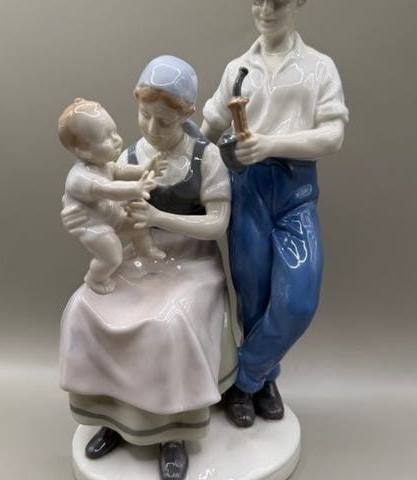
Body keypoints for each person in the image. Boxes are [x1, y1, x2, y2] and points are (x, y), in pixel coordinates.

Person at [59, 56, 235, 480]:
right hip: (142, 252)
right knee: (86, 306)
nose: (152, 128)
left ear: (186, 114)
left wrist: (159, 218)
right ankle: (115, 415)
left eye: (164, 121)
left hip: (193, 260)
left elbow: (217, 224)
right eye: (144, 115)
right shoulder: (133, 154)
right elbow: (108, 199)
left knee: (168, 322)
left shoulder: (205, 157)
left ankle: (171, 430)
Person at [201, 0, 349, 427]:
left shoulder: (319, 67)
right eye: (258, 0)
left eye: (278, 0)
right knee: (253, 292)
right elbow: (208, 129)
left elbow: (333, 135)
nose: (266, 10)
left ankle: (243, 377)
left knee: (297, 299)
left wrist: (270, 144)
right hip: (246, 188)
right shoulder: (237, 69)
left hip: (293, 191)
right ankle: (264, 381)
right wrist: (185, 161)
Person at [58, 98, 162, 294]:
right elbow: (108, 188)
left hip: (110, 214)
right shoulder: (79, 178)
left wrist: (145, 169)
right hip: (92, 226)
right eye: (105, 138)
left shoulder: (103, 165)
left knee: (138, 223)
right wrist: (136, 188)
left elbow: (120, 170)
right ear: (82, 151)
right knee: (112, 255)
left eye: (114, 132)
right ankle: (95, 278)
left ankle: (146, 251)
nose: (116, 140)